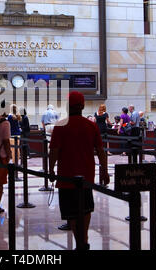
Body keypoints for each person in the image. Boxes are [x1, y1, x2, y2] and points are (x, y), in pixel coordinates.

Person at [49, 91, 109, 250]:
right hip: (86, 176)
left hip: (66, 177)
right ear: (82, 106)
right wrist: (104, 170)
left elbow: (54, 151)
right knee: (86, 208)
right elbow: (101, 150)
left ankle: (79, 242)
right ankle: (85, 238)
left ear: (68, 106)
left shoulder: (60, 126)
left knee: (72, 213)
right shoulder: (91, 125)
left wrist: (50, 169)